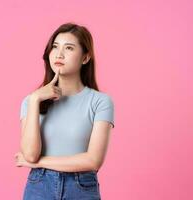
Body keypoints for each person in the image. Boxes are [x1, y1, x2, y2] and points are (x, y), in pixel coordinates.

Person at [15, 22, 115, 200]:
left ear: (85, 58)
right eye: (55, 47)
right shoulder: (30, 102)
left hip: (81, 188)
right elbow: (30, 153)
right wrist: (35, 100)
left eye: (69, 48)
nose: (59, 54)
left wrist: (40, 163)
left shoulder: (100, 102)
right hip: (39, 186)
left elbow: (93, 161)